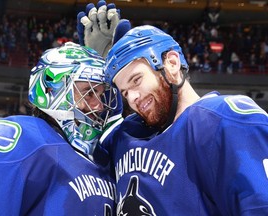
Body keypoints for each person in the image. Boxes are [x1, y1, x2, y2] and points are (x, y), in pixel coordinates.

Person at [78, 2, 268, 215]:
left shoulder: (224, 120)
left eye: (136, 80)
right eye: (124, 92)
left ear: (171, 63)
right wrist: (98, 68)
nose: (132, 98)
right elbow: (87, 147)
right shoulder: (127, 134)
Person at [0, 42, 121, 215]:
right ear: (52, 90)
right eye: (89, 93)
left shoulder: (102, 157)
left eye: (100, 94)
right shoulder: (23, 139)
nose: (99, 106)